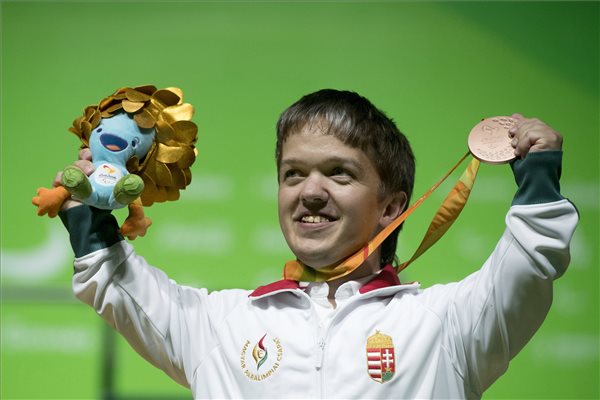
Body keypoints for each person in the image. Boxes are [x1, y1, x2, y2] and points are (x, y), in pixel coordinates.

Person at [56, 89, 578, 399]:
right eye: (293, 173)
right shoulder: (218, 325)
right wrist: (86, 205)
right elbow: (112, 278)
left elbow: (529, 263)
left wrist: (537, 173)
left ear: (391, 207)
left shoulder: (449, 326)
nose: (309, 191)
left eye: (339, 173)